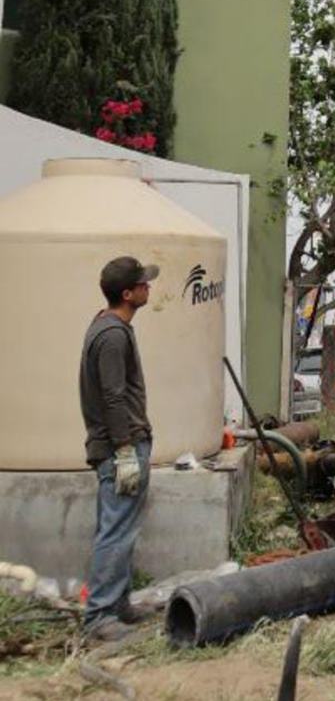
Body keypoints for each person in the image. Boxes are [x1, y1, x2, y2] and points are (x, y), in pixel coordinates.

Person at [79, 256, 158, 641]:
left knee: (121, 527)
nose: (149, 288)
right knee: (115, 531)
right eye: (143, 284)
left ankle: (119, 604)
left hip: (118, 445)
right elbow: (112, 397)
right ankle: (100, 618)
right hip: (118, 449)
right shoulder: (111, 335)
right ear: (127, 294)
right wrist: (125, 449)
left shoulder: (109, 328)